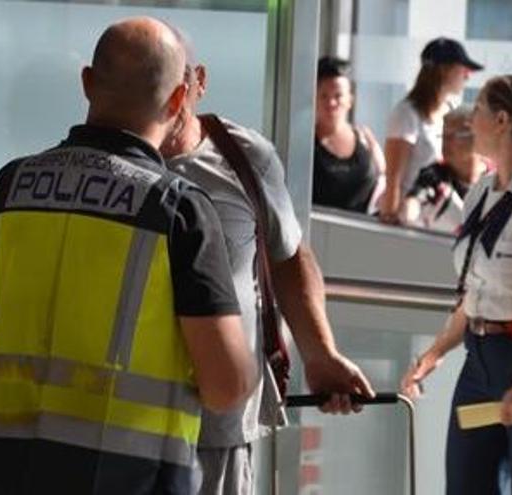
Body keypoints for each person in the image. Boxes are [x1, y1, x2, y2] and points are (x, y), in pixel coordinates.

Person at [0, 17, 258, 494]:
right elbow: (226, 386)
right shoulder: (176, 208)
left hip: (10, 470)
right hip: (131, 475)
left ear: (87, 83)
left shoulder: (9, 188)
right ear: (178, 100)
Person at [159, 35, 375, 495]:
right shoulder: (113, 160)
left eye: (169, 86)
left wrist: (319, 353)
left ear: (197, 84)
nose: (160, 104)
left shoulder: (242, 156)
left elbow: (289, 257)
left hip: (219, 425)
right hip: (121, 423)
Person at [400, 75, 512, 494]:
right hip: (478, 360)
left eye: (479, 110)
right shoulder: (482, 191)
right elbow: (475, 293)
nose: (469, 122)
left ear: (502, 120)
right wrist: (432, 354)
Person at [379, 37, 483, 223]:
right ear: (444, 70)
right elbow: (393, 178)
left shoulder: (451, 109)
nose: (467, 76)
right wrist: (390, 221)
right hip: (412, 214)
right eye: (464, 70)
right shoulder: (406, 114)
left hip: (441, 212)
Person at [313, 56, 386, 214]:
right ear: (315, 98)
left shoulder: (366, 139)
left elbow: (383, 180)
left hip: (362, 232)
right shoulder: (306, 143)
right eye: (324, 96)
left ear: (350, 100)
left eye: (338, 96)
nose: (331, 103)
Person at [401, 105, 489, 232]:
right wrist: (408, 211)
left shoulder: (498, 177)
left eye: (451, 137)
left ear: (475, 136)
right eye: (443, 136)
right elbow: (414, 201)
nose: (444, 143)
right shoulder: (434, 175)